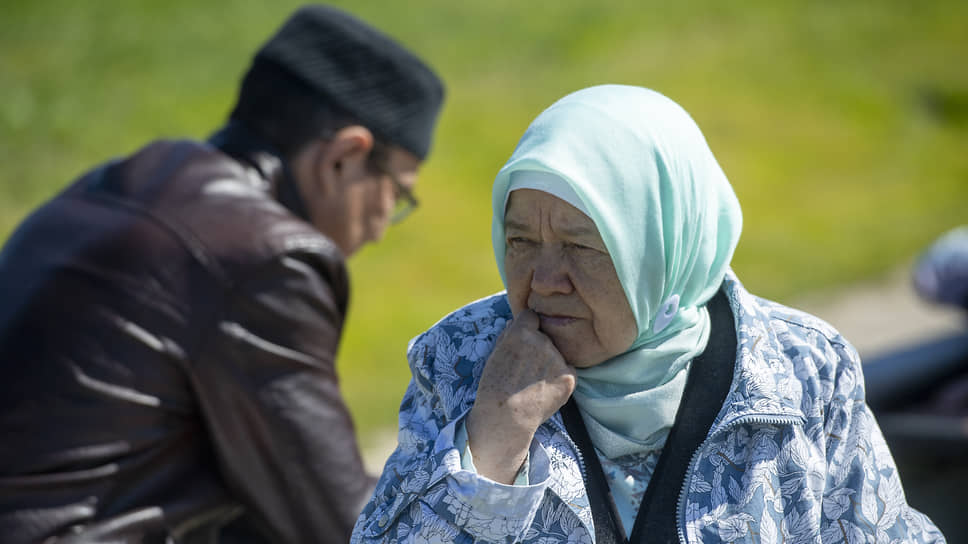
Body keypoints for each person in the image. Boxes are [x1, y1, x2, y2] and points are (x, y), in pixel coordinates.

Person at [352, 85, 945, 543]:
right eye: (521, 241)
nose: (544, 281)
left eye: (583, 246)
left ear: (663, 246)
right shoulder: (461, 360)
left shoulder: (804, 368)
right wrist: (492, 441)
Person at [0, 5, 444, 543]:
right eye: (397, 194)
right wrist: (488, 450)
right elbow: (347, 526)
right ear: (344, 157)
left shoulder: (114, 183)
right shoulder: (264, 257)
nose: (380, 229)